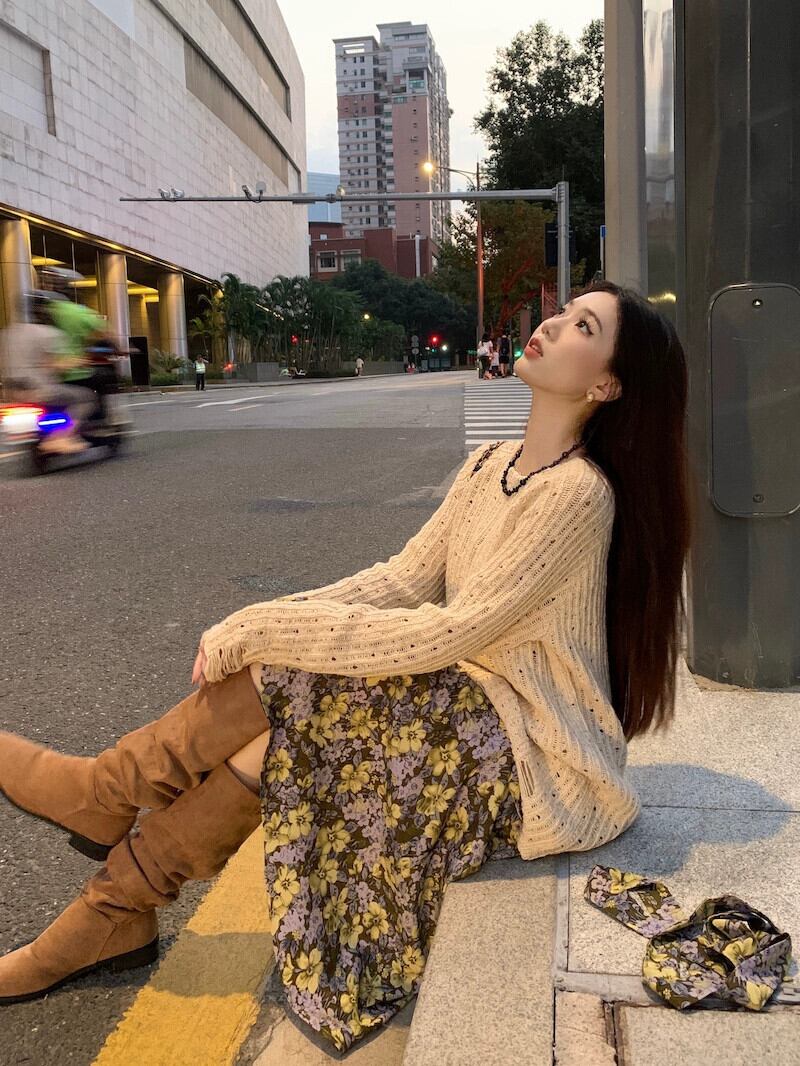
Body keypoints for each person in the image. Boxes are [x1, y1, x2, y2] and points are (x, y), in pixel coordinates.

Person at [0, 282, 692, 1054]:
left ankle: (106, 823)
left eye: (583, 327)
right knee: (287, 702)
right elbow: (402, 581)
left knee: (292, 686)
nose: (553, 326)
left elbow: (450, 630)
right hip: (464, 707)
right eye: (562, 313)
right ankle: (114, 883)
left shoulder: (577, 495)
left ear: (606, 385)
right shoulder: (489, 464)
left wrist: (265, 631)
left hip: (529, 750)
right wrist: (266, 624)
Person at [0, 294, 95, 453]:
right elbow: (54, 366)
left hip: (11, 392)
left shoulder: (6, 334)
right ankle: (60, 438)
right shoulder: (48, 333)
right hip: (39, 390)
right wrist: (80, 361)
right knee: (85, 397)